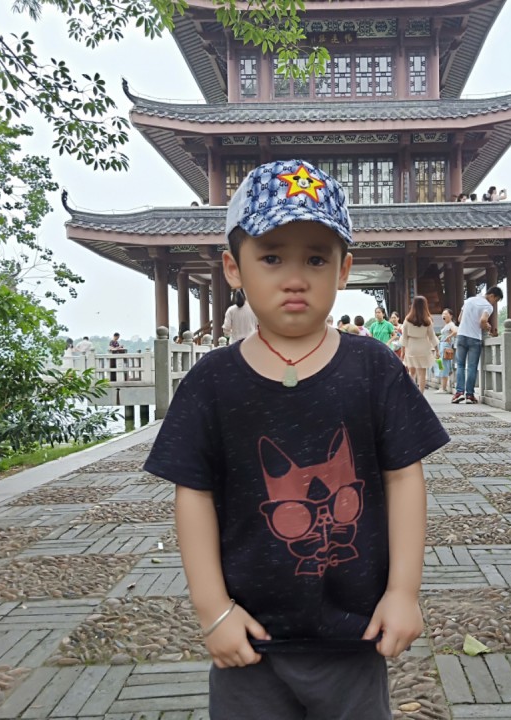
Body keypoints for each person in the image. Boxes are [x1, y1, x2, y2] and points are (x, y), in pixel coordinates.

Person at [144, 159, 449, 720]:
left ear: (343, 269)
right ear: (234, 268)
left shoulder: (373, 368)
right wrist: (213, 612)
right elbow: (194, 495)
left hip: (355, 635)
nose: (294, 277)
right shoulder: (211, 382)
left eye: (315, 258)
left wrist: (403, 592)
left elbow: (404, 477)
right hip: (249, 638)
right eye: (271, 257)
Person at [452, 287, 503, 404]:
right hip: (474, 338)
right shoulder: (487, 306)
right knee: (472, 367)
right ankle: (469, 395)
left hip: (461, 335)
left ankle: (459, 393)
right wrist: (487, 326)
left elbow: (460, 318)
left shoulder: (469, 300)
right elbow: (483, 320)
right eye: (496, 300)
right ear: (492, 296)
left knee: (460, 365)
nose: (494, 303)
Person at [401, 295, 439, 394]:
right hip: (423, 347)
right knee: (422, 374)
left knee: (411, 372)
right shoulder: (428, 320)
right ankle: (421, 395)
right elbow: (432, 336)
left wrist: (403, 352)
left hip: (411, 347)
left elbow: (404, 337)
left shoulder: (407, 320)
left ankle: (411, 393)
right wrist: (437, 350)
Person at [434, 308, 457, 394]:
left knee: (444, 366)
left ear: (450, 316)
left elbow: (455, 331)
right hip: (441, 346)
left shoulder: (451, 324)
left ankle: (443, 388)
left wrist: (449, 337)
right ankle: (442, 386)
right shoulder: (446, 325)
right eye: (443, 314)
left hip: (446, 347)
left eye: (446, 314)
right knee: (440, 365)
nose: (444, 315)